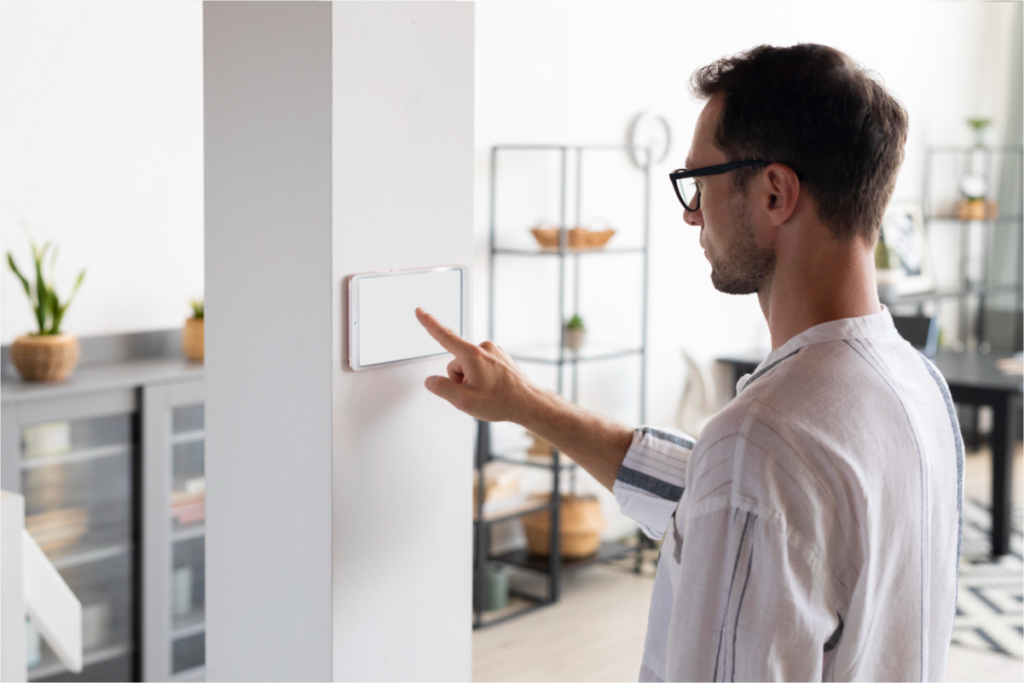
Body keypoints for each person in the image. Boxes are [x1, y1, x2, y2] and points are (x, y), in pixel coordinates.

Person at [417, 43, 963, 682]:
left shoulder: (762, 442)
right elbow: (716, 497)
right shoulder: (918, 386)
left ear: (775, 192)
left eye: (699, 184)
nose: (690, 213)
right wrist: (525, 404)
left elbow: (743, 488)